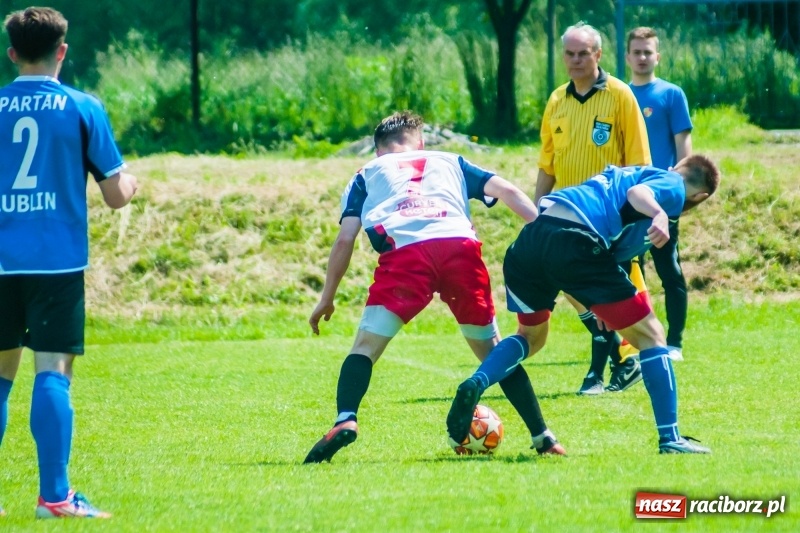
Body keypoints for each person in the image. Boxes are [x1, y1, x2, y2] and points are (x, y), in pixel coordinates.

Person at [304, 111, 565, 464]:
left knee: (365, 346)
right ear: (420, 142)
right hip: (459, 248)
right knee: (493, 352)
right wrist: (543, 230)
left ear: (379, 150)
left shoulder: (367, 173)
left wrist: (327, 298)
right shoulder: (450, 160)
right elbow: (505, 190)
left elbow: (345, 238)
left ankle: (345, 418)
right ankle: (544, 437)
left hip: (407, 256)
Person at [446, 155, 720, 454]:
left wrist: (602, 304)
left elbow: (615, 245)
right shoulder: (673, 186)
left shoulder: (629, 173)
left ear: (676, 165)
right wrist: (659, 214)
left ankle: (477, 380)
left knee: (530, 338)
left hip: (532, 240)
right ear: (700, 196)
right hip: (575, 241)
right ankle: (671, 438)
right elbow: (637, 196)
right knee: (653, 336)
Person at [0, 7, 138, 519]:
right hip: (55, 262)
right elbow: (116, 195)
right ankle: (54, 497)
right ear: (62, 50)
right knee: (53, 370)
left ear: (12, 53)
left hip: (0, 259)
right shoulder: (82, 106)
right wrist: (132, 181)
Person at [535, 21, 653, 396]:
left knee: (612, 288)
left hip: (609, 214)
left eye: (583, 53)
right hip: (567, 217)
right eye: (569, 54)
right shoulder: (557, 100)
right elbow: (547, 164)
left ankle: (609, 367)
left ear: (598, 54)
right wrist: (538, 211)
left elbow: (638, 163)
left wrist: (635, 215)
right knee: (574, 287)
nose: (575, 61)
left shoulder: (620, 96)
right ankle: (619, 360)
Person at [627, 27, 693, 361]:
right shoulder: (619, 95)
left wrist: (679, 189)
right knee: (625, 271)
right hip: (626, 199)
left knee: (669, 271)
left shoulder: (671, 95)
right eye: (636, 51)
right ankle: (632, 340)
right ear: (627, 56)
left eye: (647, 52)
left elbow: (684, 149)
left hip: (661, 200)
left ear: (658, 56)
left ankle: (675, 341)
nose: (642, 57)